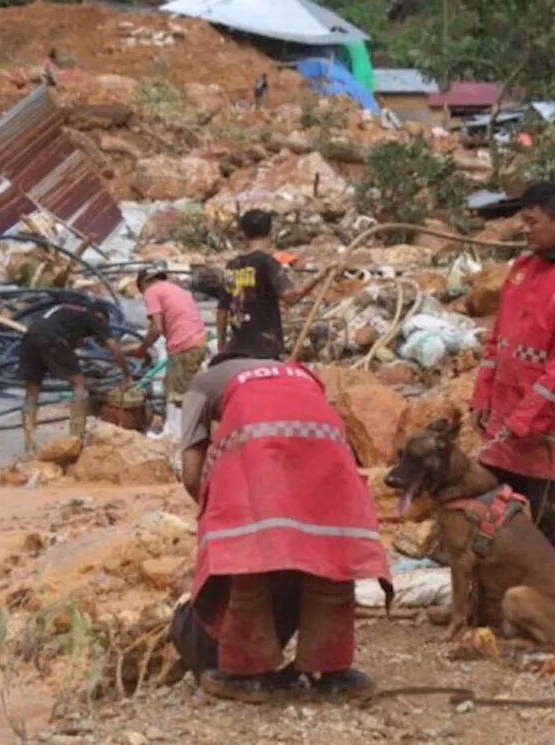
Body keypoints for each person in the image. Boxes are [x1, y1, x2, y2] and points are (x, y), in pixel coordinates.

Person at [179, 356, 392, 703]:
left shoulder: (200, 384)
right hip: (327, 437)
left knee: (248, 553)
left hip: (257, 436)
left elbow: (191, 471)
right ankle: (332, 673)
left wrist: (214, 515)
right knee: (329, 548)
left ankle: (248, 675)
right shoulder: (297, 374)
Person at [470, 182, 555, 570]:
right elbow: (498, 340)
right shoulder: (522, 269)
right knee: (493, 523)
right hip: (507, 426)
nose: (524, 230)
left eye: (532, 222)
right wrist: (483, 398)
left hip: (551, 436)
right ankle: (493, 608)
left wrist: (525, 419)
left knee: (551, 529)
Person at [20, 299, 131, 454]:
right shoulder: (95, 318)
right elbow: (115, 350)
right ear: (101, 317)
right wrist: (127, 374)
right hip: (51, 337)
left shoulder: (67, 310)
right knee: (79, 382)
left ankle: (29, 443)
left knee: (32, 387)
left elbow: (71, 336)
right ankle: (75, 438)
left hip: (29, 336)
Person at [217, 210, 325, 360]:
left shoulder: (232, 265)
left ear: (244, 234)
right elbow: (291, 297)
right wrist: (320, 276)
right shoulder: (268, 263)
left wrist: (221, 347)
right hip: (264, 349)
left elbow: (222, 311)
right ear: (269, 232)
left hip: (236, 349)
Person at [132, 267, 207, 436]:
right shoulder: (177, 290)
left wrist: (142, 349)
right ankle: (195, 431)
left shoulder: (151, 291)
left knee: (177, 396)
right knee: (191, 390)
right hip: (198, 341)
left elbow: (156, 327)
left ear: (144, 284)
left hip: (182, 344)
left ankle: (177, 437)